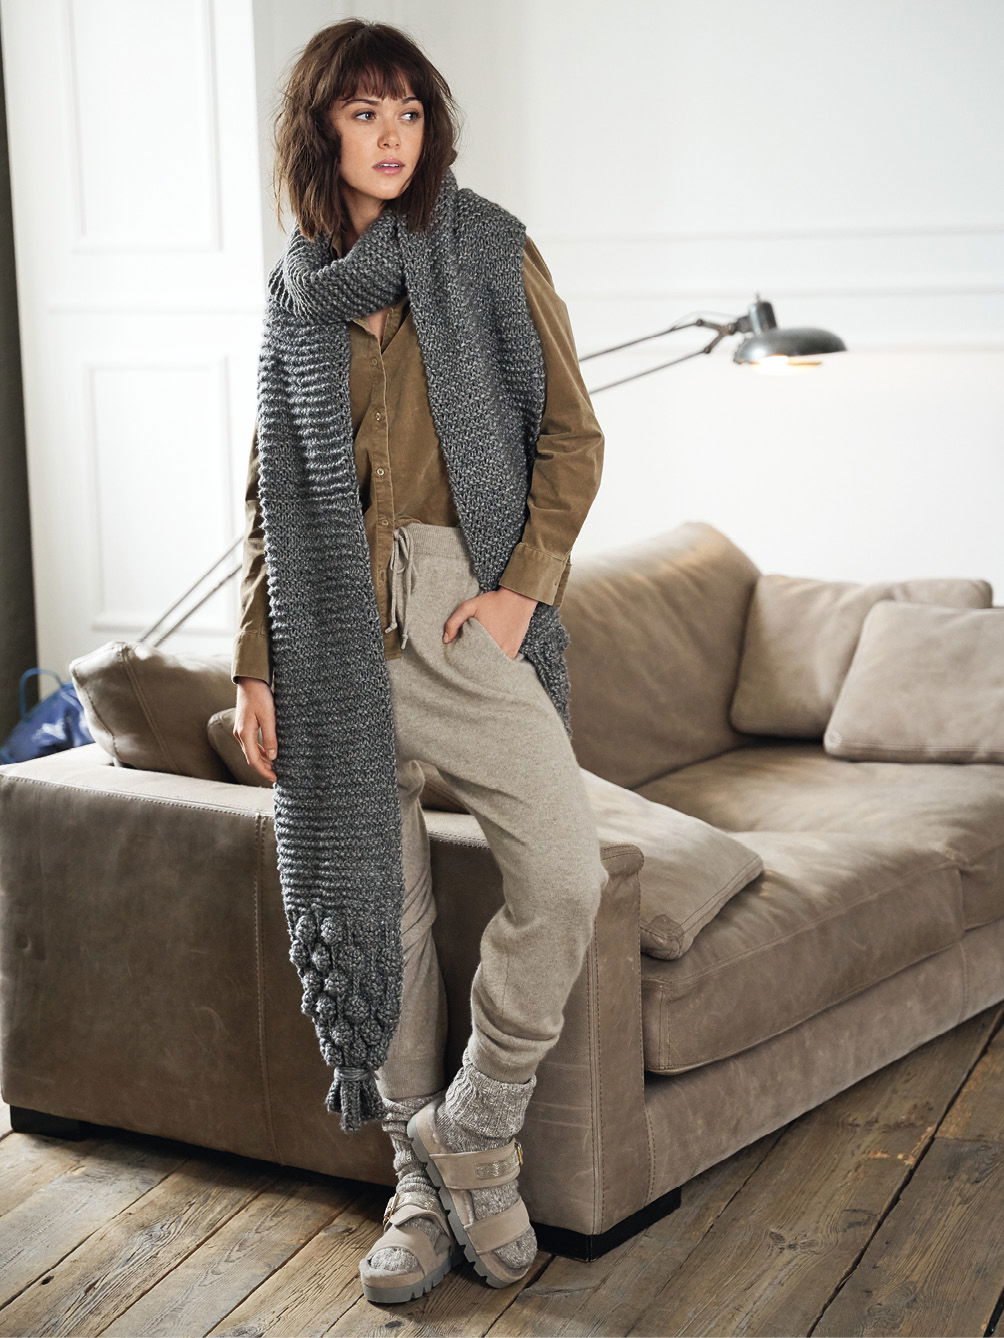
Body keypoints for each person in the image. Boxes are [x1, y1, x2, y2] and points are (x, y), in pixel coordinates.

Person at [232, 18, 607, 1304]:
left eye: (408, 112)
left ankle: (477, 1124)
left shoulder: (486, 246)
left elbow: (571, 437)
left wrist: (517, 593)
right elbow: (268, 490)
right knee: (374, 911)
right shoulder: (294, 295)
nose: (391, 136)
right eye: (364, 113)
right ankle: (425, 1188)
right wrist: (255, 662)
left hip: (461, 618)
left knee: (563, 872)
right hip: (327, 632)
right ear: (320, 131)